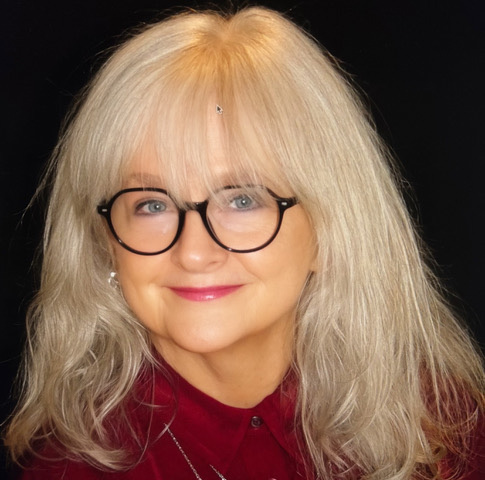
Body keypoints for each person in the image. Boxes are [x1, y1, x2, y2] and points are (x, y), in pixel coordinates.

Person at [4, 6, 485, 480]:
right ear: (106, 241)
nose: (193, 253)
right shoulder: (70, 470)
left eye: (241, 200)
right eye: (152, 204)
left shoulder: (444, 431)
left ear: (329, 230)